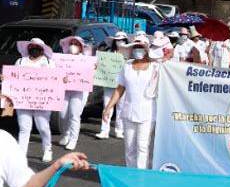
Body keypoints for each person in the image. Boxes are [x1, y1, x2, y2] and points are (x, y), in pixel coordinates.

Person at [103, 38, 161, 169]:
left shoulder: (155, 67)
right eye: (135, 47)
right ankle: (130, 173)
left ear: (146, 50)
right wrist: (108, 107)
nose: (137, 50)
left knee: (142, 146)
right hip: (128, 111)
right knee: (129, 147)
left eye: (140, 47)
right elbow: (120, 88)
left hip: (148, 112)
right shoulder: (127, 66)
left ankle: (141, 176)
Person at [12, 38, 54, 162]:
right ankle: (21, 152)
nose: (34, 49)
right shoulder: (20, 62)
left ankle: (47, 149)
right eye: (32, 47)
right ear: (28, 48)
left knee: (42, 126)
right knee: (24, 128)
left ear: (42, 49)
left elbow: (56, 80)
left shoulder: (48, 62)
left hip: (42, 100)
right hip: (24, 100)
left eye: (37, 47)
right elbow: (13, 78)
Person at [57, 36, 91, 152]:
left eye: (76, 44)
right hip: (65, 90)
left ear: (81, 47)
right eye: (71, 43)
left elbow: (90, 74)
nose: (73, 46)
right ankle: (66, 134)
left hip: (79, 91)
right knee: (62, 114)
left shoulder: (86, 59)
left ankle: (73, 139)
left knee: (74, 115)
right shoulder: (63, 58)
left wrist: (94, 67)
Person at [96, 32, 129, 140]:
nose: (121, 42)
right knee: (107, 106)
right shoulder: (108, 52)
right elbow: (102, 65)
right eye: (118, 40)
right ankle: (104, 130)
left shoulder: (129, 53)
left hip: (122, 85)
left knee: (121, 107)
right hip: (109, 84)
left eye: (123, 40)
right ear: (114, 41)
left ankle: (119, 130)